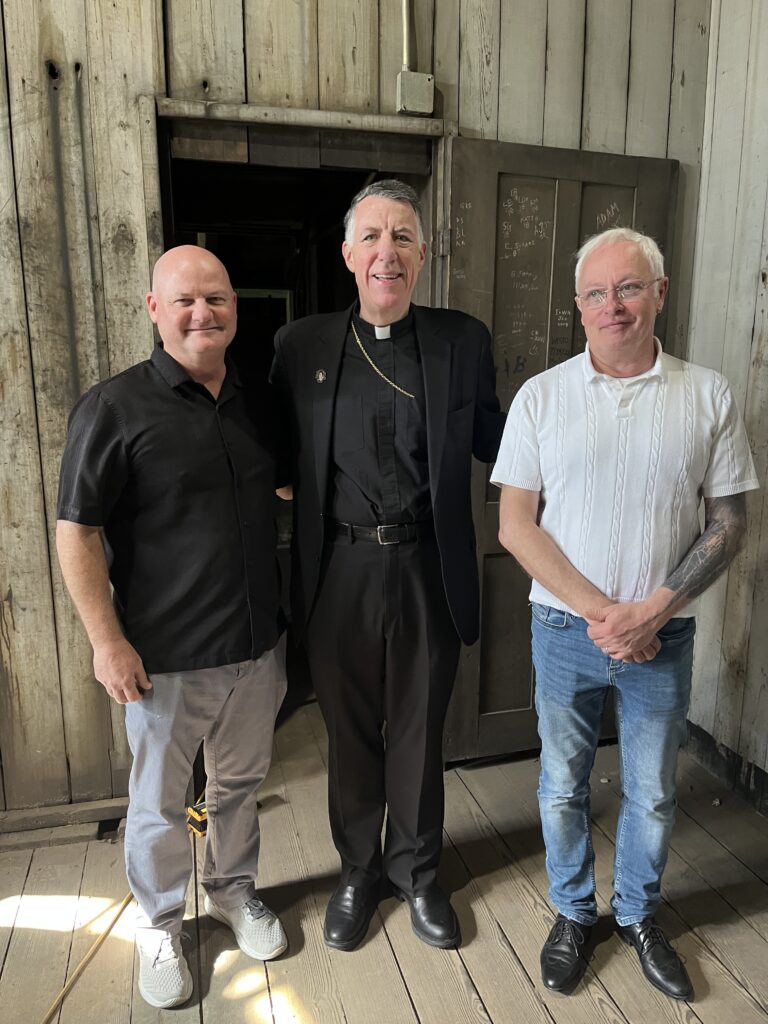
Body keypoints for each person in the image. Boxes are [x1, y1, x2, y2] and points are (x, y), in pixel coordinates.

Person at [492, 227, 758, 1000]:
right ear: (579, 307)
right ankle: (575, 912)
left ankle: (639, 913)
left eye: (630, 287)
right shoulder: (542, 397)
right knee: (561, 784)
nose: (614, 305)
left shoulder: (707, 394)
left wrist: (654, 611)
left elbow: (729, 522)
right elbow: (515, 525)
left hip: (663, 636)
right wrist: (608, 615)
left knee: (653, 791)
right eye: (597, 293)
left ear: (659, 293)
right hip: (563, 633)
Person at [271, 179, 504, 951]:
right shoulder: (299, 346)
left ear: (423, 253)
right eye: (371, 237)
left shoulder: (462, 341)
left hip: (427, 565)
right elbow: (273, 451)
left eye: (402, 236)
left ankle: (419, 874)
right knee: (348, 733)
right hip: (338, 567)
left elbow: (502, 442)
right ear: (347, 254)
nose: (386, 253)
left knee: (418, 730)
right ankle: (357, 872)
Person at [56, 246, 288, 1009]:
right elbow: (76, 531)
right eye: (184, 300)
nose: (202, 313)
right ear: (155, 309)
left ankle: (231, 890)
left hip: (256, 648)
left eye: (216, 298)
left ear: (234, 308)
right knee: (158, 803)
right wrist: (106, 641)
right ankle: (158, 924)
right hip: (164, 660)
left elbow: (284, 488)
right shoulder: (114, 407)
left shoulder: (257, 401)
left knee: (239, 785)